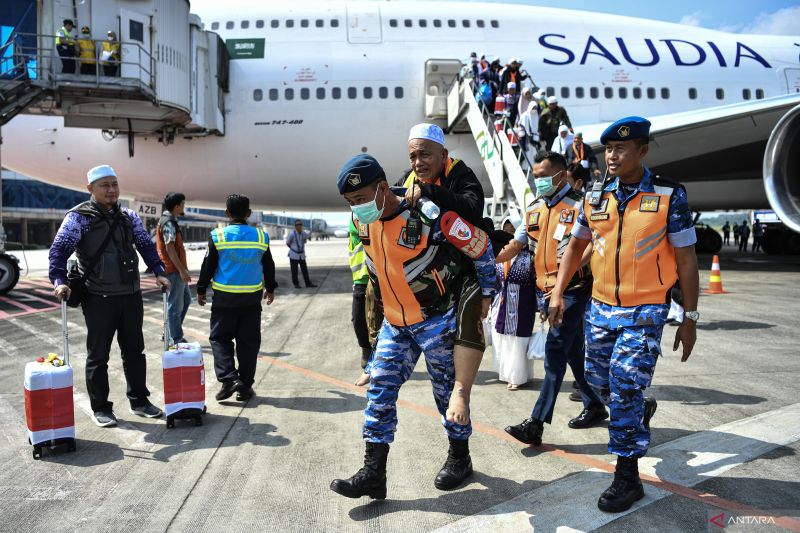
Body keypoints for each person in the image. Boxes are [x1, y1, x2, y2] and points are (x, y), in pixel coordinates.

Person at [548, 116, 699, 513]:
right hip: (600, 306)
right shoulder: (595, 194)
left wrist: (690, 317)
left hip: (646, 307)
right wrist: (558, 293)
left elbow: (686, 258)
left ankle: (627, 476)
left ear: (642, 151)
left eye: (621, 149)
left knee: (624, 381)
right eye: (608, 149)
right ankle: (637, 410)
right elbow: (576, 246)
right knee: (597, 383)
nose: (612, 156)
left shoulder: (669, 195)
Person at [330, 154, 497, 500]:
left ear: (381, 188)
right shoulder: (364, 224)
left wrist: (486, 294)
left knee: (446, 396)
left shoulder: (428, 215)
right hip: (396, 325)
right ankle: (373, 473)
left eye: (360, 200)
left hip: (437, 321)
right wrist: (375, 347)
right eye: (350, 203)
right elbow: (378, 278)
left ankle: (459, 458)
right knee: (379, 392)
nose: (356, 208)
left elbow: (481, 249)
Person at [497, 152, 607, 446]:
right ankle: (600, 404)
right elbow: (516, 243)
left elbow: (592, 246)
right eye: (536, 175)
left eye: (544, 175)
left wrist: (564, 281)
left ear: (560, 174)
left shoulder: (582, 204)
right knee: (572, 351)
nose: (539, 180)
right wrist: (487, 258)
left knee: (555, 351)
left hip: (572, 288)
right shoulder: (533, 207)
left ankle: (535, 423)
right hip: (544, 290)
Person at [49, 164, 169, 427]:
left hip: (130, 294)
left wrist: (159, 271)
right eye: (105, 185)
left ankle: (140, 401)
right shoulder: (78, 218)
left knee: (135, 352)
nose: (112, 190)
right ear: (90, 188)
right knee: (98, 355)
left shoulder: (129, 216)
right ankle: (101, 408)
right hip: (98, 297)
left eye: (114, 184)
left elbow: (146, 246)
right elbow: (58, 252)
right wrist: (59, 281)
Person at [399, 123, 498, 426]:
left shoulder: (460, 174)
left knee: (469, 315)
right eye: (413, 156)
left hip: (467, 264)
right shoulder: (407, 181)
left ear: (443, 154)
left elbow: (471, 207)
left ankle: (461, 392)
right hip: (427, 271)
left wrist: (429, 192)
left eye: (425, 155)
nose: (418, 163)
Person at [196, 194, 277, 402]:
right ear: (248, 213)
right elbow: (268, 264)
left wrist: (201, 288)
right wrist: (271, 287)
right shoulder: (261, 236)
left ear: (227, 213)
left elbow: (208, 265)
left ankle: (229, 379)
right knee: (248, 343)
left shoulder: (218, 236)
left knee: (220, 339)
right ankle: (245, 387)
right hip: (251, 299)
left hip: (225, 299)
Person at [492, 217, 536, 390]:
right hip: (501, 305)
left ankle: (517, 377)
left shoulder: (529, 256)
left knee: (518, 342)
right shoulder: (502, 254)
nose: (510, 234)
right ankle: (506, 373)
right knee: (502, 340)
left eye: (513, 230)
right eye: (506, 230)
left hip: (522, 305)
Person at [156, 192, 191, 346]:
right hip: (173, 270)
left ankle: (170, 331)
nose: (184, 207)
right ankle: (175, 337)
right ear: (177, 206)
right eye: (183, 204)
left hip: (175, 269)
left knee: (186, 300)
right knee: (175, 305)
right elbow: (170, 249)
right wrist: (182, 270)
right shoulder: (169, 223)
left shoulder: (170, 221)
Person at [348, 217, 373, 368]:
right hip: (361, 279)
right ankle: (366, 348)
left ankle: (382, 354)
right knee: (358, 318)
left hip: (382, 277)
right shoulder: (356, 217)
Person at [286, 220, 316, 288]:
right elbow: (288, 243)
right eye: (297, 225)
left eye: (300, 224)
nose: (299, 226)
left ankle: (308, 283)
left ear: (302, 226)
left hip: (302, 255)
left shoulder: (303, 233)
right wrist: (294, 249)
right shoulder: (292, 234)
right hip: (294, 255)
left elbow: (306, 239)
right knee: (294, 271)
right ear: (295, 226)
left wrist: (311, 231)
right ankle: (296, 284)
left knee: (305, 270)